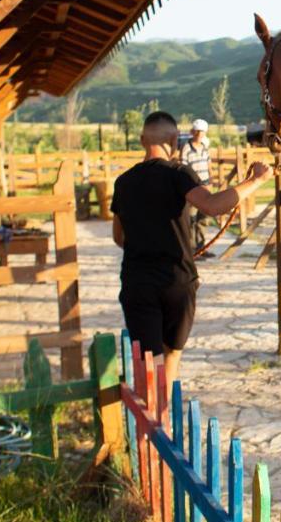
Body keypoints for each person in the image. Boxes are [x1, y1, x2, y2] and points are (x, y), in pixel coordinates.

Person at [112, 111, 270, 386]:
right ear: (174, 140)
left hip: (137, 282)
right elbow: (213, 205)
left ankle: (152, 420)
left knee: (149, 363)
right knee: (171, 355)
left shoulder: (123, 182)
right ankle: (163, 417)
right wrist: (254, 180)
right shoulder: (178, 173)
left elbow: (118, 236)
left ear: (141, 140)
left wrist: (145, 243)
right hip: (177, 281)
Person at [178, 118, 213, 256]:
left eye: (202, 132)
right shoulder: (186, 148)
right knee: (192, 219)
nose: (199, 134)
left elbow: (209, 165)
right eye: (197, 132)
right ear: (193, 132)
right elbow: (183, 167)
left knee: (203, 219)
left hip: (205, 185)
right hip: (193, 187)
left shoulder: (205, 148)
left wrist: (211, 181)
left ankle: (201, 247)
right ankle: (192, 250)